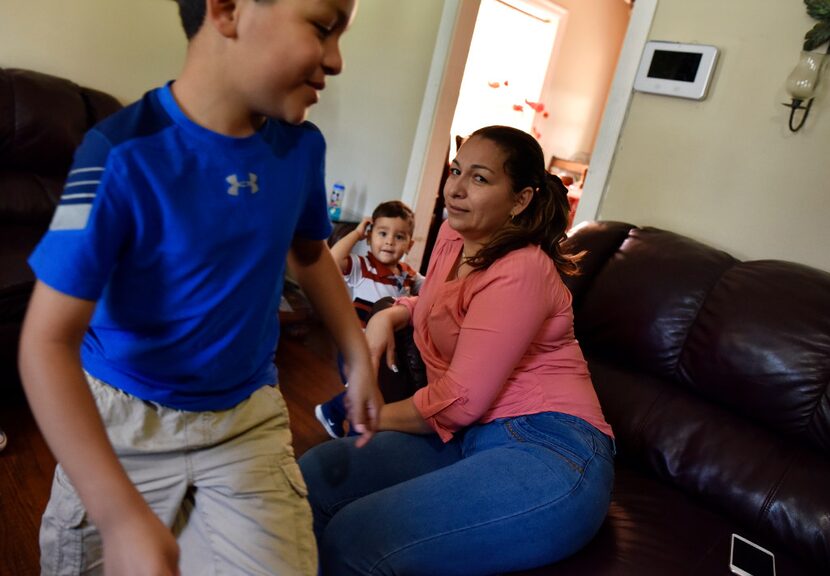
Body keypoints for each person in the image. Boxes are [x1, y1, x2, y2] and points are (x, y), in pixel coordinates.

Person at [18, 1, 381, 575]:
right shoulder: (117, 153)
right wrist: (116, 515)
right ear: (228, 8)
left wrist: (355, 348)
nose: (335, 60)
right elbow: (45, 342)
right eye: (322, 26)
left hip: (244, 422)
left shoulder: (301, 148)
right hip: (123, 419)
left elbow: (310, 255)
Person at [299, 125, 616, 576]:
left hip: (548, 448)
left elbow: (460, 401)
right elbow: (438, 301)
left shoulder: (521, 269)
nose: (457, 188)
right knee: (315, 473)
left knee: (359, 537)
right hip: (469, 437)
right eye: (456, 170)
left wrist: (364, 415)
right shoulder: (453, 234)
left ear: (521, 199)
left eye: (480, 179)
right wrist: (390, 315)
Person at [315, 200, 424, 438]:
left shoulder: (407, 274)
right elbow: (332, 260)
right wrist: (356, 233)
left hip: (384, 350)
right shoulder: (362, 266)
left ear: (409, 244)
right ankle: (356, 441)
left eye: (399, 237)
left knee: (371, 393)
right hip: (356, 347)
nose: (389, 241)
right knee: (365, 397)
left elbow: (430, 288)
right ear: (369, 236)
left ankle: (332, 411)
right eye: (382, 233)